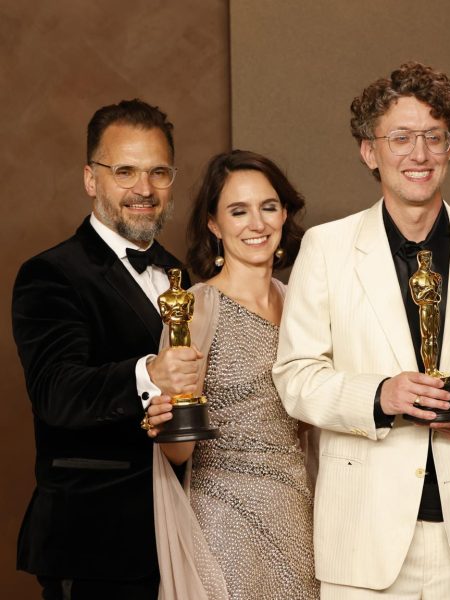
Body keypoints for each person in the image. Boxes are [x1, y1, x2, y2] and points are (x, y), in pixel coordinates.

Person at [272, 62, 450, 599]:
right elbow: (296, 377)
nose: (419, 154)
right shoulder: (326, 249)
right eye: (401, 138)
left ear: (449, 146)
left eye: (433, 137)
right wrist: (379, 395)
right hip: (362, 539)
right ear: (370, 151)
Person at [11, 99, 198, 599]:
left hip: (184, 538)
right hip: (96, 540)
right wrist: (150, 373)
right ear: (91, 179)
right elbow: (56, 392)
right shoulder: (50, 274)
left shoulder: (183, 276)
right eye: (125, 171)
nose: (144, 189)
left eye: (159, 172)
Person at [144, 150, 318, 599]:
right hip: (224, 517)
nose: (256, 224)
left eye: (267, 207)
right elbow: (179, 454)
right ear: (214, 225)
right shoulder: (196, 308)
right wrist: (167, 413)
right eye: (238, 211)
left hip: (300, 514)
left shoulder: (303, 305)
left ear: (284, 214)